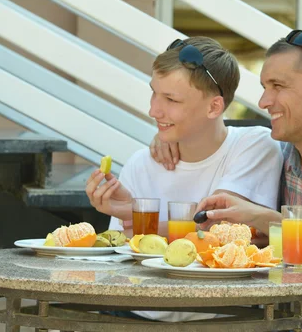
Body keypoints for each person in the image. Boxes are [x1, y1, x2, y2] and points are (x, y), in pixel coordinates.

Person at [85, 36, 282, 322]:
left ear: (214, 107)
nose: (154, 110)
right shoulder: (141, 164)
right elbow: (126, 258)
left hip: (224, 321)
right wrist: (134, 219)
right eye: (154, 93)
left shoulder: (255, 145)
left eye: (171, 100)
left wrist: (139, 216)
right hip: (135, 318)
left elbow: (219, 229)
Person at [155, 30, 302, 236]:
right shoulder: (271, 153)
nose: (263, 102)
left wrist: (261, 217)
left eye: (278, 86)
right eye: (265, 88)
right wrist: (170, 138)